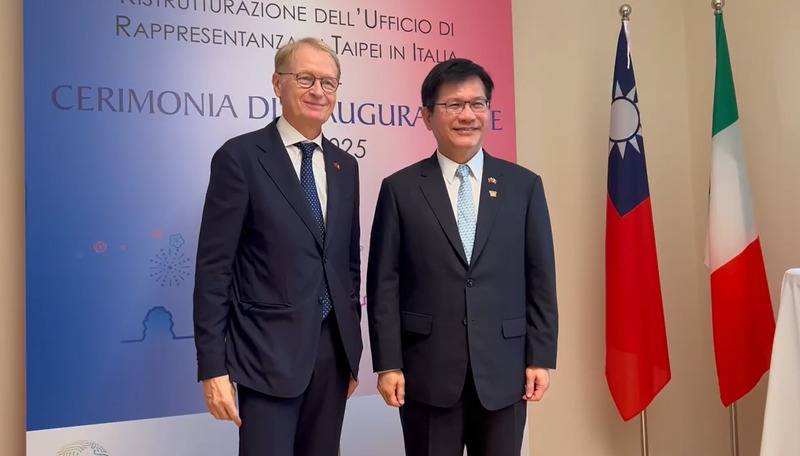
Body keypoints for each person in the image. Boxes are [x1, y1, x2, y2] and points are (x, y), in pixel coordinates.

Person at [367, 58, 558, 455]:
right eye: (454, 105)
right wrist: (388, 363)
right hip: (428, 372)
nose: (467, 115)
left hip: (504, 372)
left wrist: (540, 357)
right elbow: (384, 283)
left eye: (478, 104)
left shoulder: (523, 186)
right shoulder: (400, 189)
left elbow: (540, 278)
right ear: (427, 116)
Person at [193, 37, 362, 456]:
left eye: (328, 81)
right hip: (264, 354)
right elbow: (215, 270)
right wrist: (213, 368)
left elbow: (347, 263)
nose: (318, 91)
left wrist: (351, 348)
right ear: (277, 84)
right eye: (305, 78)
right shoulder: (240, 158)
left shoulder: (345, 166)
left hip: (332, 355)